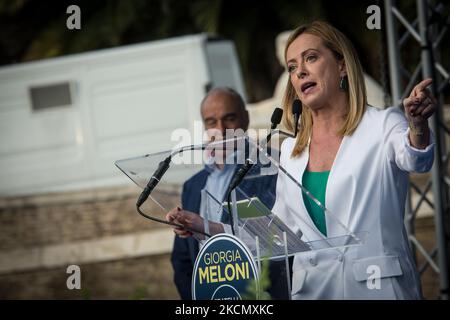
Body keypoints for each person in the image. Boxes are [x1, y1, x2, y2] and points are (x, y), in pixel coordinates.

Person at [271, 20, 436, 299]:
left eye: (311, 58)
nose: (300, 71)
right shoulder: (290, 151)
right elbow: (279, 232)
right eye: (291, 67)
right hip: (315, 291)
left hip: (379, 288)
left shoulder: (382, 124)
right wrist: (208, 228)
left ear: (342, 65)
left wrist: (417, 126)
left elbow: (416, 159)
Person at [168, 87, 290, 300]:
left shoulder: (273, 166)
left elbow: (279, 240)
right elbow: (183, 260)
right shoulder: (193, 185)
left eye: (229, 118)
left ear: (245, 119)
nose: (221, 129)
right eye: (211, 122)